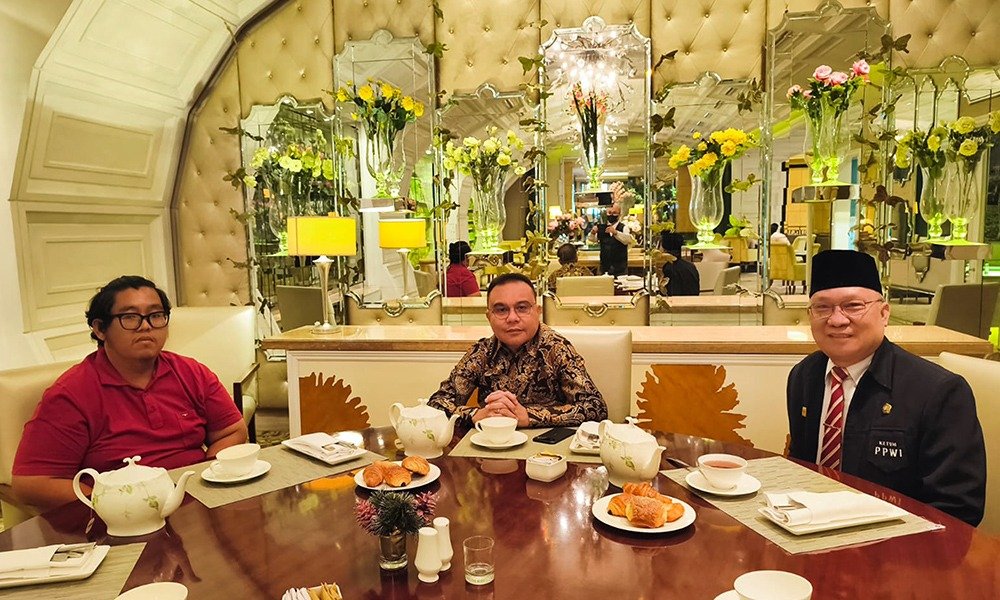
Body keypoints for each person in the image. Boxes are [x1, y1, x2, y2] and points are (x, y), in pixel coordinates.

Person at [12, 276, 248, 512]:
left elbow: (232, 431)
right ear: (100, 329)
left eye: (156, 315)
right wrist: (112, 502)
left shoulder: (191, 372)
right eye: (130, 317)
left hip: (192, 502)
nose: (146, 326)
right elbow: (31, 484)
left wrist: (206, 475)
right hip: (120, 516)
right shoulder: (71, 394)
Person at [786, 250, 986, 526]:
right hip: (809, 532)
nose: (836, 320)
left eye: (853, 306)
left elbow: (958, 508)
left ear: (884, 313)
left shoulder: (939, 392)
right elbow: (801, 469)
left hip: (900, 544)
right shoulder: (804, 376)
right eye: (822, 307)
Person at [428, 273, 607, 427]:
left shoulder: (556, 349)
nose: (512, 318)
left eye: (522, 308)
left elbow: (595, 407)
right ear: (489, 317)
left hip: (549, 448)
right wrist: (475, 415)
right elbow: (436, 405)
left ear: (537, 311)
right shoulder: (482, 353)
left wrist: (529, 416)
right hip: (492, 446)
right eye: (501, 310)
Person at [587, 203, 635, 276]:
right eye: (609, 213)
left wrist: (615, 232)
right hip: (604, 268)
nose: (611, 215)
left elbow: (627, 240)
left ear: (619, 215)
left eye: (614, 213)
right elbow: (592, 239)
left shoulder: (623, 227)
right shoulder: (602, 227)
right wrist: (593, 232)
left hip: (620, 268)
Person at [659, 232, 699, 296]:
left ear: (664, 249)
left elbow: (671, 295)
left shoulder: (669, 268)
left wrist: (661, 288)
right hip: (694, 301)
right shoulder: (690, 266)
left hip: (679, 301)